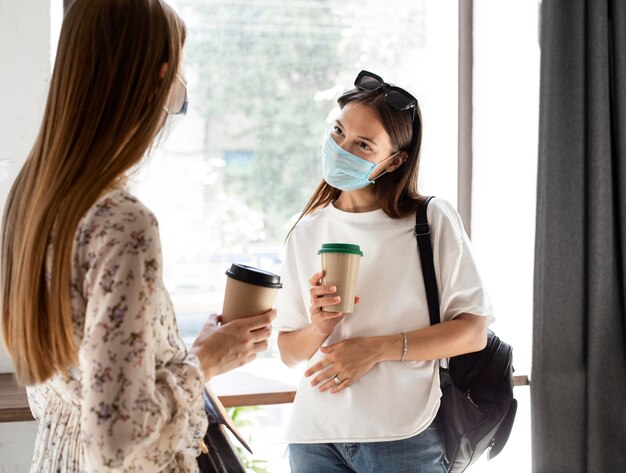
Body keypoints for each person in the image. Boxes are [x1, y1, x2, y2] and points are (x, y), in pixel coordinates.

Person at [0, 1, 274, 471]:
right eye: (180, 81)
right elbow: (119, 441)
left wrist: (184, 355)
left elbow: (79, 382)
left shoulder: (30, 198)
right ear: (159, 79)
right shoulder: (124, 224)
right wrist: (205, 362)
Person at [275, 70, 494, 473]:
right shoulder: (305, 231)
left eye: (362, 145)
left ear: (394, 161)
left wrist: (376, 348)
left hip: (403, 435)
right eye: (338, 132)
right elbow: (289, 351)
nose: (341, 148)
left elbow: (473, 332)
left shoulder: (429, 220)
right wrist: (320, 327)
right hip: (313, 438)